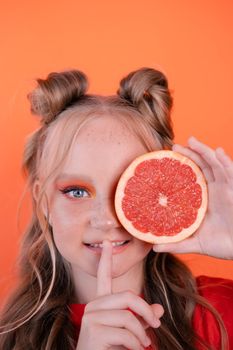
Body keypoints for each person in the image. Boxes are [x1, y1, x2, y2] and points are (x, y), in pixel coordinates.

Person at [0, 67, 232, 350]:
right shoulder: (12, 339)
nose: (106, 219)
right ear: (43, 200)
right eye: (77, 191)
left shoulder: (219, 312)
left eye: (126, 189)